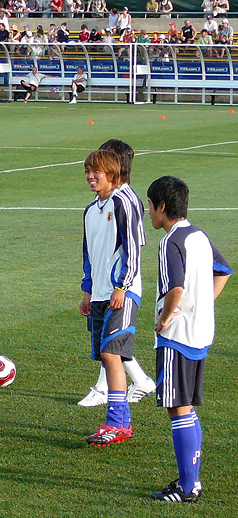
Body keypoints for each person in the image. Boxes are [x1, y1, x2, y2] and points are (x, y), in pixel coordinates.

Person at [145, 176, 232, 503]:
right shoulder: (199, 236)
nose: (148, 213)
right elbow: (223, 271)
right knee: (186, 407)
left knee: (176, 407)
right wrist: (204, 305)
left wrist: (165, 318)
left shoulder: (170, 243)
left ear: (163, 207)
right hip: (200, 333)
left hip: (177, 336)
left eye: (150, 207)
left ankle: (187, 487)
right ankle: (190, 480)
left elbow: (176, 288)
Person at [78, 140, 156, 407]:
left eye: (97, 169)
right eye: (88, 170)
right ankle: (141, 383)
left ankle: (113, 408)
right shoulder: (90, 210)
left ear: (114, 168)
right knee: (107, 349)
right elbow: (88, 254)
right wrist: (87, 290)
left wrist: (122, 286)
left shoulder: (125, 200)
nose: (91, 175)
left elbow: (134, 248)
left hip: (121, 288)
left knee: (111, 349)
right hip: (99, 290)